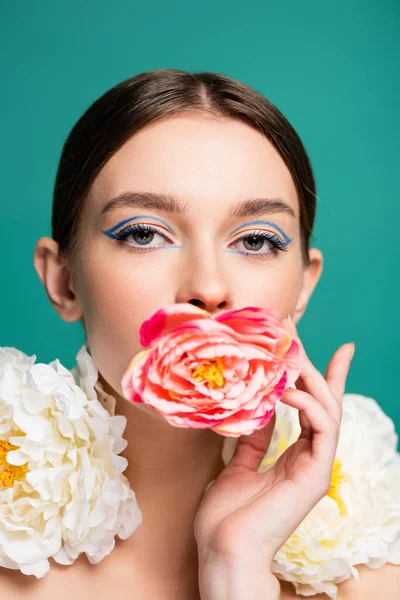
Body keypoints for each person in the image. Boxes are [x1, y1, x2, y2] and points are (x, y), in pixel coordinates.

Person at [1, 68, 399, 599]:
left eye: (256, 241)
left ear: (303, 288)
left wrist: (237, 569)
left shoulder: (374, 581)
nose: (208, 288)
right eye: (143, 233)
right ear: (63, 280)